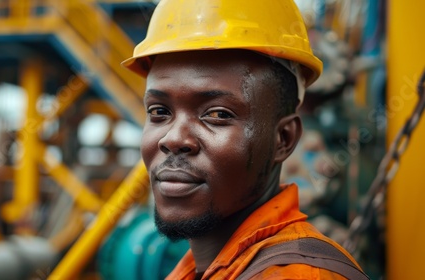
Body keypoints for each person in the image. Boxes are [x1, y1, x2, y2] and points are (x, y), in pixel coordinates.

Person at [122, 0, 368, 279]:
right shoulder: (199, 270)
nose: (173, 138)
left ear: (283, 139)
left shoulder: (296, 275)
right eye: (159, 111)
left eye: (216, 114)